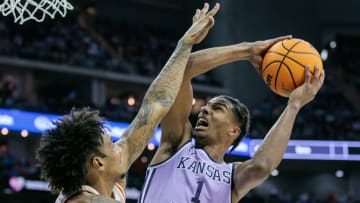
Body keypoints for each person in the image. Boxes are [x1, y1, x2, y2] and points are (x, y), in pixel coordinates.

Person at [36, 3, 220, 203]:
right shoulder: (82, 201)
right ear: (98, 163)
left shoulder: (110, 176)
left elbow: (155, 104)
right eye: (112, 145)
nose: (121, 145)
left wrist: (184, 45)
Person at [138, 35, 325, 202]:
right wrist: (247, 50)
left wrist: (294, 105)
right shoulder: (176, 144)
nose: (203, 110)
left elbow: (263, 165)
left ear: (234, 130)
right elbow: (182, 70)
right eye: (206, 106)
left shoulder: (232, 177)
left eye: (217, 108)